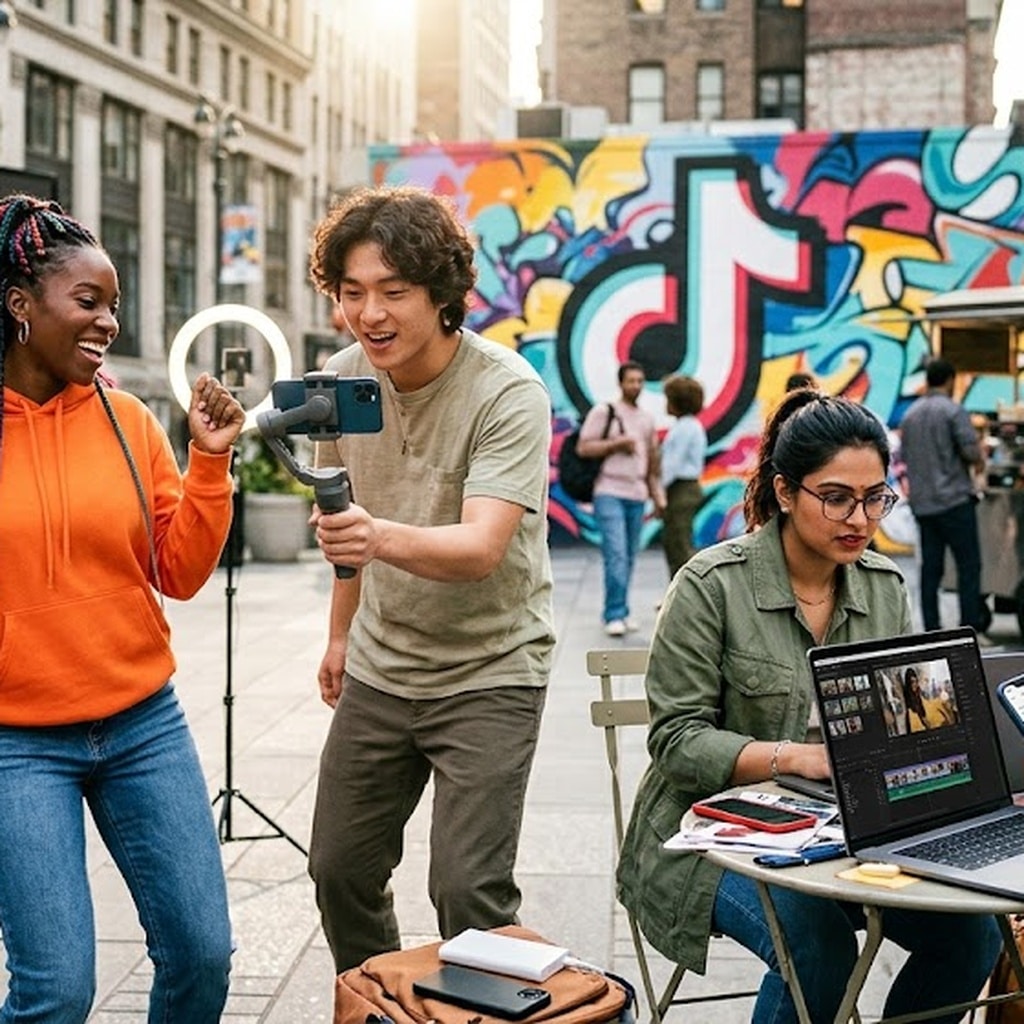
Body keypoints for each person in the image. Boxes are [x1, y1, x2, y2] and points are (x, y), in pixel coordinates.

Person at [616, 389, 1001, 1024]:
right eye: (837, 497)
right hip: (705, 837)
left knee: (972, 940)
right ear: (786, 492)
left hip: (844, 831)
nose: (860, 518)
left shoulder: (883, 588)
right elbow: (677, 741)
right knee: (817, 945)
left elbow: (907, 724)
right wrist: (795, 757)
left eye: (876, 497)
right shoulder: (712, 585)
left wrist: (972, 762)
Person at [0, 194, 243, 1021]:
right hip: (15, 745)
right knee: (56, 990)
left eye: (114, 304)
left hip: (144, 723)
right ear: (20, 304)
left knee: (203, 956)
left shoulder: (128, 418)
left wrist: (209, 465)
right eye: (89, 302)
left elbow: (176, 571)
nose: (108, 322)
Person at [305, 185, 555, 972]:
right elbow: (346, 525)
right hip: (382, 664)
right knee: (339, 870)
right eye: (352, 293)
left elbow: (481, 547)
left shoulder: (505, 390)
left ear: (444, 294)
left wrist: (375, 536)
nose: (369, 314)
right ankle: (380, 1005)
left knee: (468, 892)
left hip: (491, 668)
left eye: (393, 292)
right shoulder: (340, 381)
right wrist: (341, 633)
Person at [898, 356, 987, 636]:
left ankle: (932, 629)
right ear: (949, 380)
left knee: (930, 570)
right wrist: (980, 461)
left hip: (924, 506)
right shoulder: (953, 411)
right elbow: (971, 452)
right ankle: (970, 626)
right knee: (968, 566)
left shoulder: (910, 415)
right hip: (955, 502)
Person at [577, 360, 663, 636]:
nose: (635, 386)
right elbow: (584, 447)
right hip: (609, 491)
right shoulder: (605, 412)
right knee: (615, 554)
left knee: (628, 557)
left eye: (640, 381)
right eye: (631, 381)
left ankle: (621, 610)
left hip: (637, 494)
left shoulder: (647, 419)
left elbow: (651, 461)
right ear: (621, 383)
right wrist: (616, 444)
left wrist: (657, 495)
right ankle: (613, 613)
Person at [659, 374, 707, 579]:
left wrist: (657, 494)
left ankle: (686, 591)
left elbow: (672, 464)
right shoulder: (688, 426)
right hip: (683, 488)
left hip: (681, 488)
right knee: (674, 541)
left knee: (679, 543)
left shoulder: (685, 429)